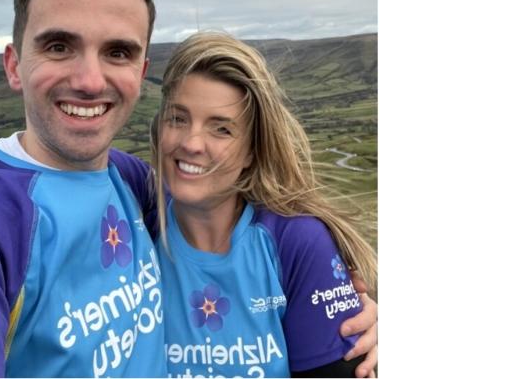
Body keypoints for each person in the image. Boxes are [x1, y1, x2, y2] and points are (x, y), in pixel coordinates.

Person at [0, 0, 377, 378]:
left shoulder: (132, 184)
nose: (89, 80)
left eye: (118, 52)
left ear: (140, 73)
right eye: (59, 46)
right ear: (14, 65)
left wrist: (341, 304)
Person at [150, 32, 378, 377]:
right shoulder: (134, 217)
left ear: (252, 151)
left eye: (221, 130)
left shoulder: (296, 242)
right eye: (178, 119)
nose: (192, 143)